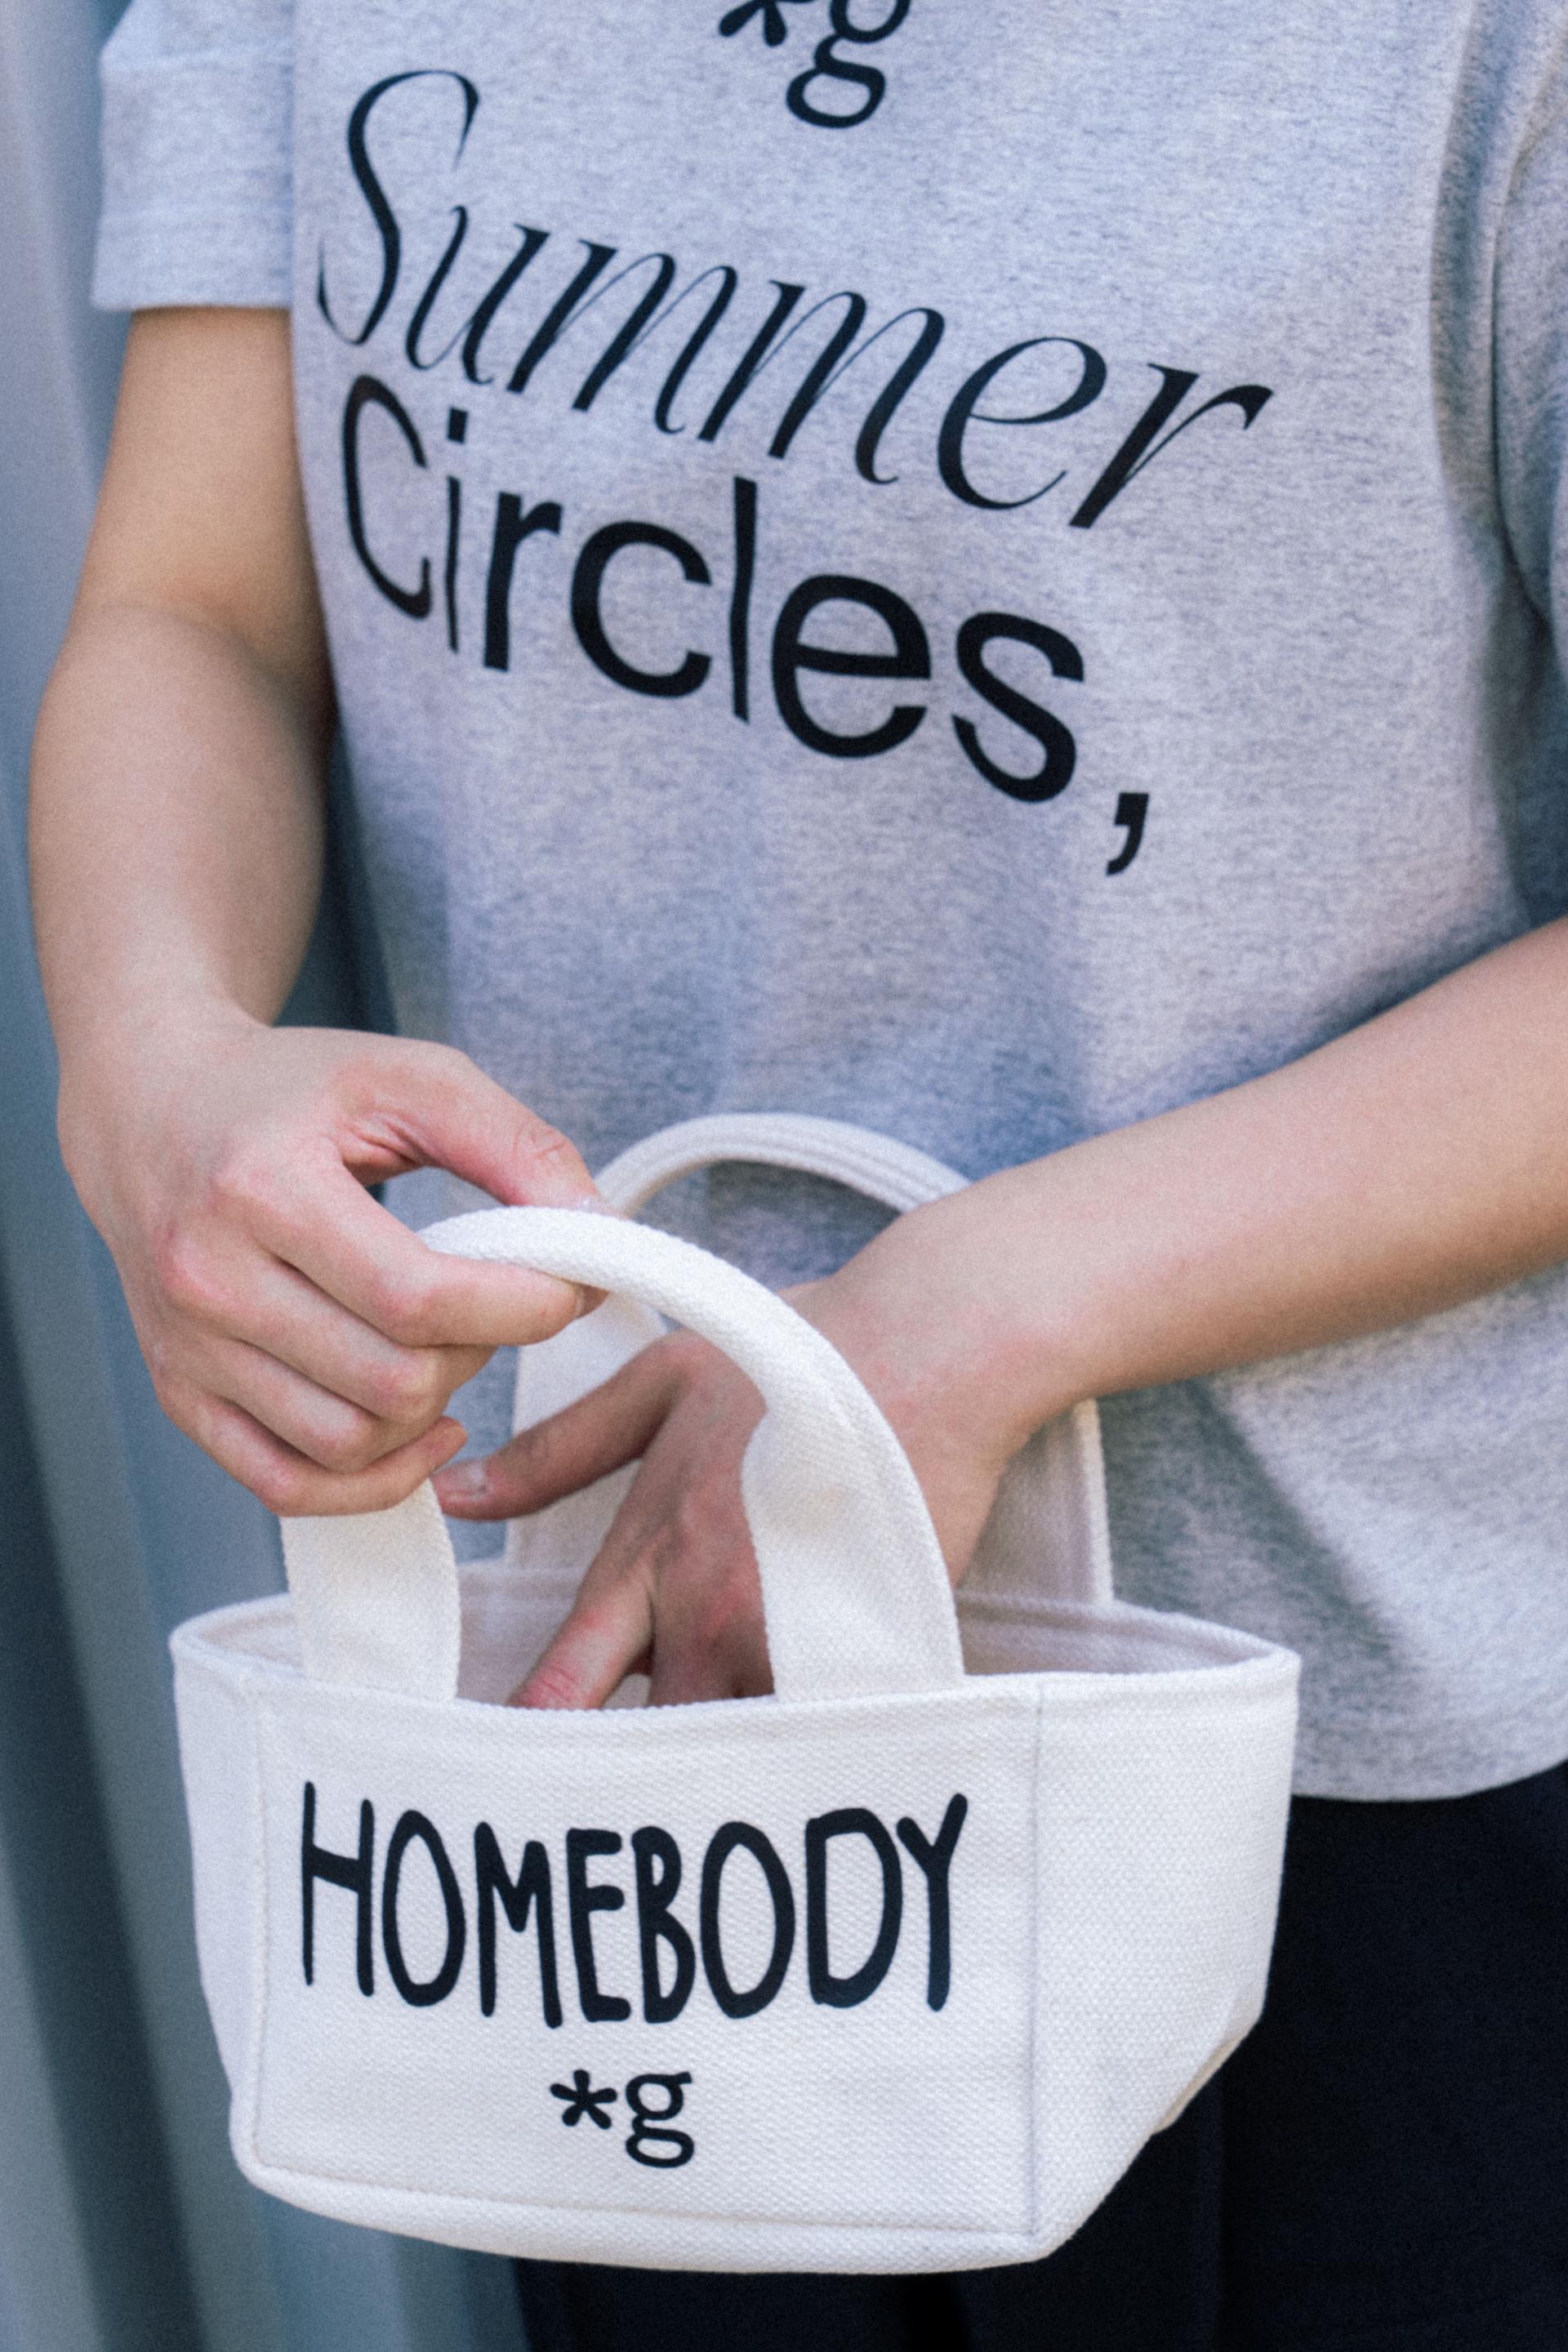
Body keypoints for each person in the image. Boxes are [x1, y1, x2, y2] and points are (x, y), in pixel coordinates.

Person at [29, 0, 1568, 2343]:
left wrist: (965, 1321)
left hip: (1338, 1754)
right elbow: (199, 610)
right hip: (627, 1731)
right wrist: (155, 1062)